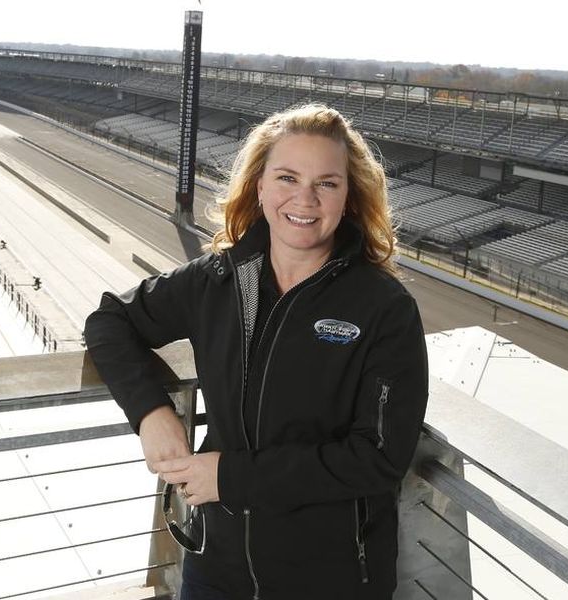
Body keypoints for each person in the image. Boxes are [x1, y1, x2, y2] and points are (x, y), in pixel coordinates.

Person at [84, 103, 428, 600]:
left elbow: (376, 459)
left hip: (331, 580)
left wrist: (230, 477)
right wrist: (151, 413)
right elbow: (109, 320)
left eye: (327, 183)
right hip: (216, 569)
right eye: (287, 177)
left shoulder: (383, 307)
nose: (304, 199)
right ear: (260, 186)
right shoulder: (217, 279)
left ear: (349, 196)